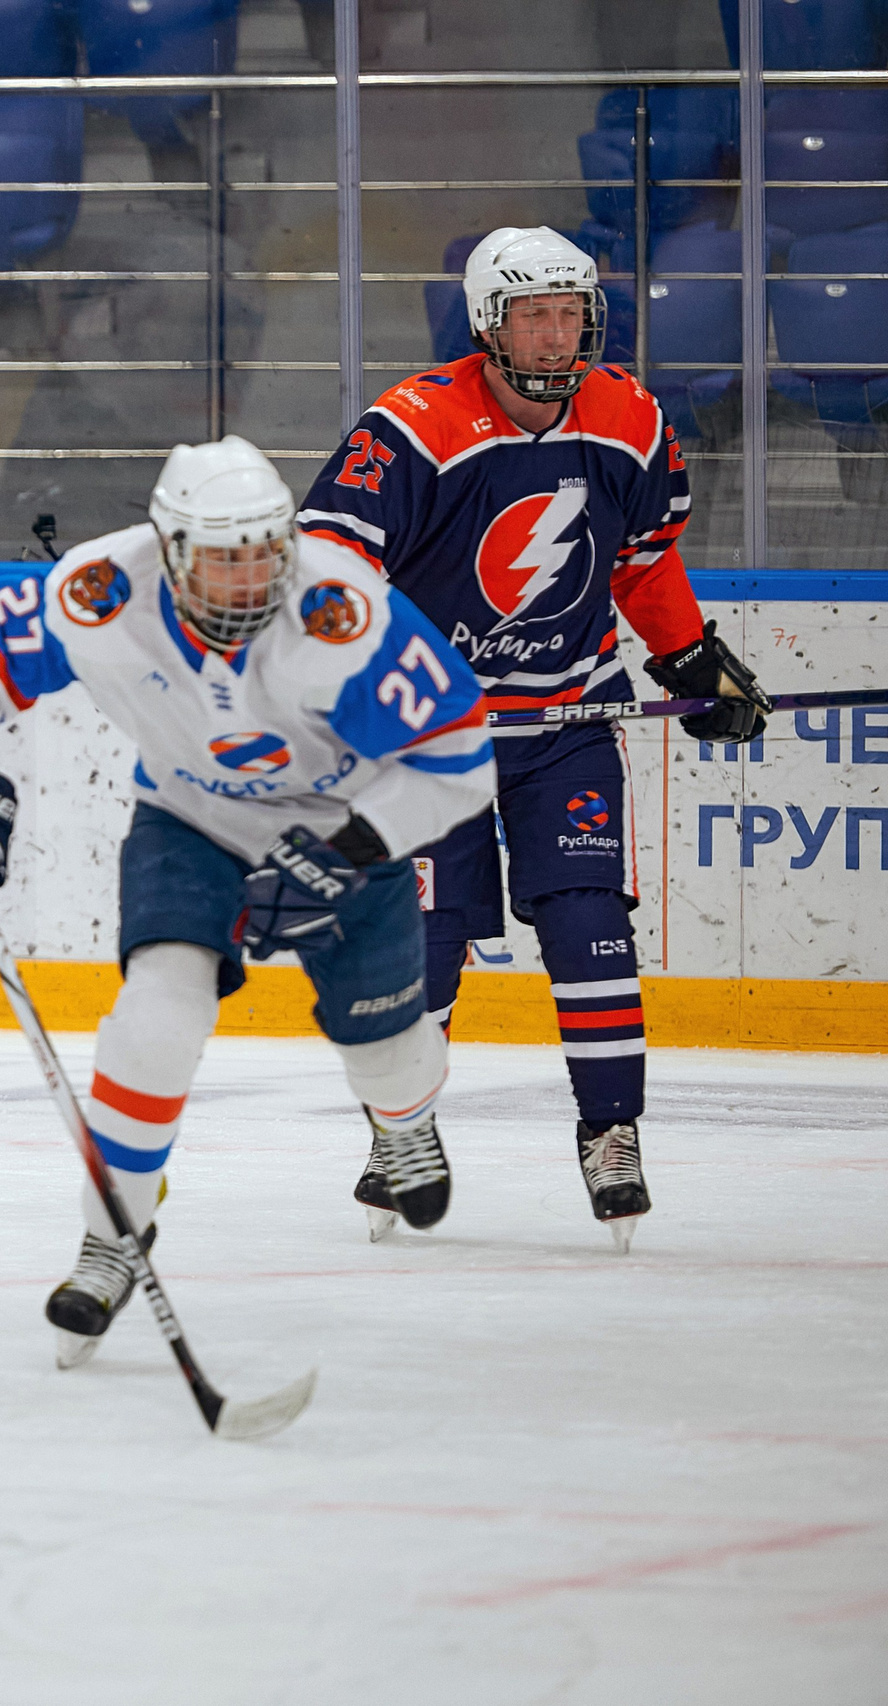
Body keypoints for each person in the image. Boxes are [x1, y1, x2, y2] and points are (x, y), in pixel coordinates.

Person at [0, 437, 495, 1366]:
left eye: (265, 549)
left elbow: (459, 763)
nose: (251, 575)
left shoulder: (346, 614)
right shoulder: (100, 592)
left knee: (385, 1050)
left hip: (348, 825)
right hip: (192, 821)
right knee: (155, 1016)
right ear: (171, 549)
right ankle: (113, 1236)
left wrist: (351, 848)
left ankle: (405, 1122)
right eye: (225, 556)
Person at [297, 225, 773, 1251]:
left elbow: (643, 561)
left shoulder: (629, 416)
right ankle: (403, 1130)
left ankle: (611, 1130)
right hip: (433, 734)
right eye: (535, 314)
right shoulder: (412, 426)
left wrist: (689, 658)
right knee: (422, 945)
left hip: (566, 717)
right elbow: (327, 566)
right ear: (487, 323)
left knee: (588, 917)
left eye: (571, 313)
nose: (558, 336)